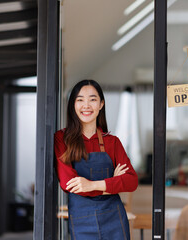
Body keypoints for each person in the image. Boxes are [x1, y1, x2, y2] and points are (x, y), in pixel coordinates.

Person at [54, 79, 138, 240]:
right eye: (80, 100)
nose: (86, 105)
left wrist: (91, 185)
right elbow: (68, 183)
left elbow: (131, 181)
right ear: (73, 105)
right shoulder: (61, 139)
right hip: (82, 220)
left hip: (114, 219)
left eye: (92, 99)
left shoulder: (112, 142)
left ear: (101, 104)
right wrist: (112, 182)